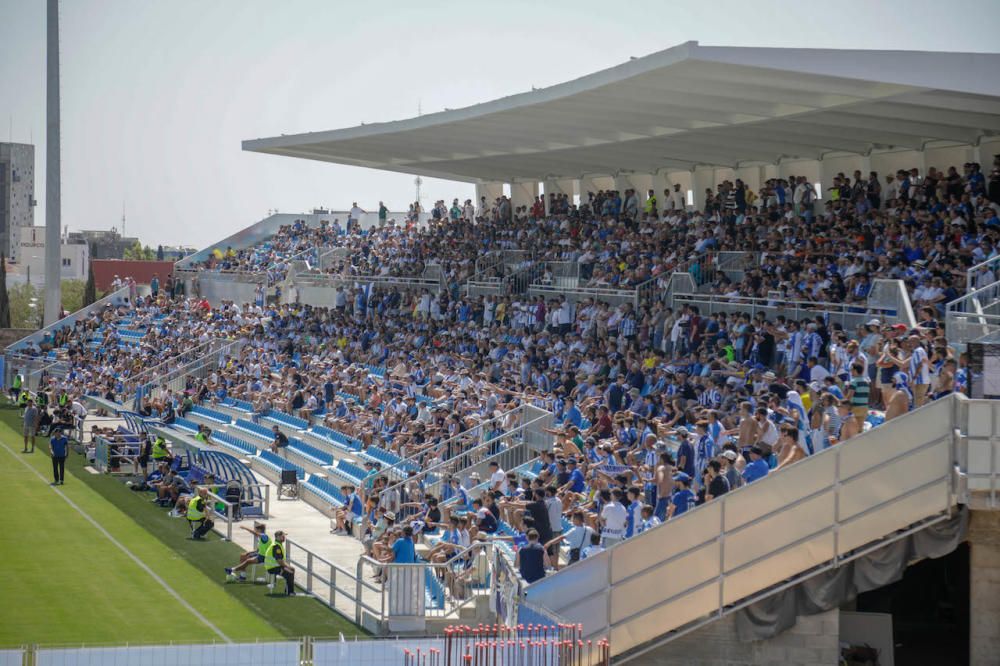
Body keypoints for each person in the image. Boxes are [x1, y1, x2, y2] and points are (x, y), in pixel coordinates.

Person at [265, 530, 295, 595]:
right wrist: (288, 566)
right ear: (277, 537)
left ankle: (289, 591)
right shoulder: (276, 546)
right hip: (272, 567)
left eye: (284, 536)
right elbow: (279, 561)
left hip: (274, 566)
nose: (284, 538)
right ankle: (290, 592)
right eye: (282, 536)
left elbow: (280, 561)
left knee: (292, 569)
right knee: (290, 572)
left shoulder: (278, 544)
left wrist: (288, 566)